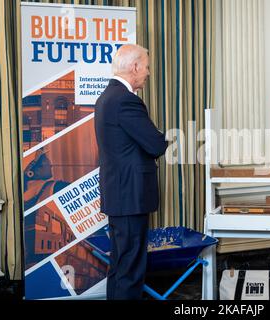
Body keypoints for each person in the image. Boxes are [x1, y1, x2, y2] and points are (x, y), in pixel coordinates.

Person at [94, 44, 168, 300]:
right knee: (131, 270)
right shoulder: (126, 100)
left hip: (119, 196)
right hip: (130, 197)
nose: (148, 73)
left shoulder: (106, 97)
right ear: (135, 67)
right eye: (146, 67)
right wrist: (162, 136)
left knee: (120, 265)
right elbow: (156, 144)